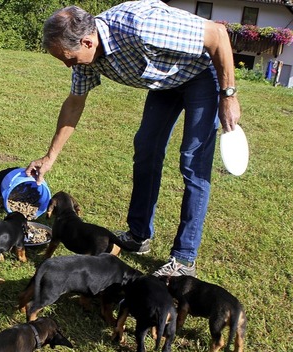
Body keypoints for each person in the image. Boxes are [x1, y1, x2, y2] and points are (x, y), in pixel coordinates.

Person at [26, 0, 241, 277]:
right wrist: (49, 157)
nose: (69, 65)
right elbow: (74, 103)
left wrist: (229, 95)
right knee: (146, 150)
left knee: (192, 161)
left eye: (68, 57)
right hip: (164, 82)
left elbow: (218, 34)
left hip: (201, 73)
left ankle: (183, 259)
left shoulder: (140, 26)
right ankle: (139, 235)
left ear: (88, 42)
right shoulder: (85, 58)